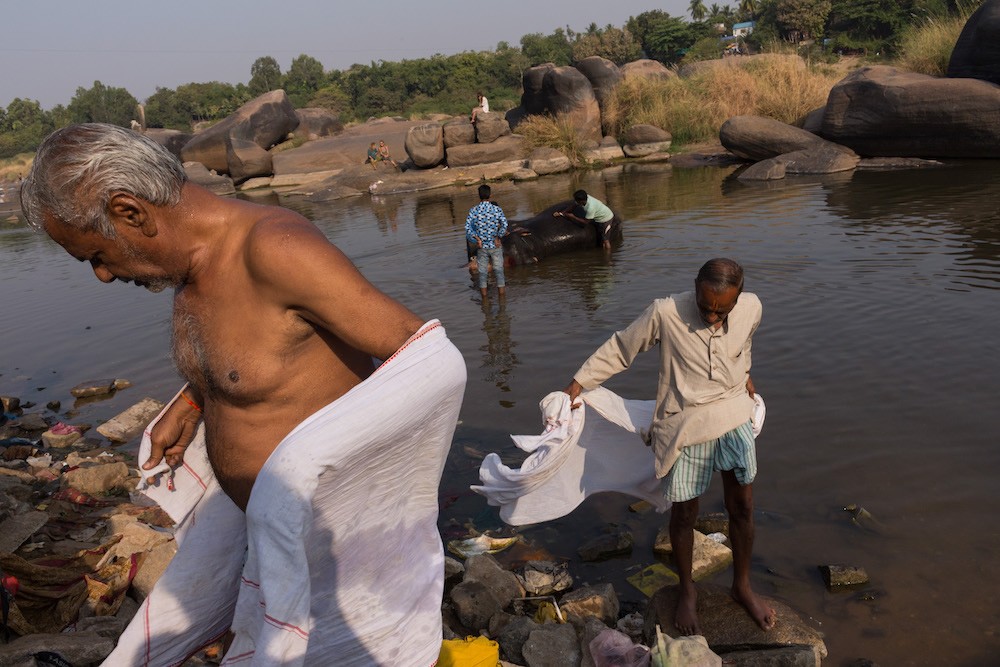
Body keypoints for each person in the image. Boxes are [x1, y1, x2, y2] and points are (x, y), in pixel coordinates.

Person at [21, 123, 467, 665]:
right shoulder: (194, 270)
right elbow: (258, 356)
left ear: (129, 212)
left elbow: (431, 359)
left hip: (337, 560)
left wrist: (300, 467)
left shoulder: (274, 251)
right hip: (265, 543)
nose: (102, 276)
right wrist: (194, 400)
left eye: (96, 254)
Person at [560, 258, 775, 635]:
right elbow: (622, 348)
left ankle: (742, 585)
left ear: (738, 298)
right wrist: (577, 384)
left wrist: (744, 374)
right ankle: (687, 590)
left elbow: (742, 345)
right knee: (685, 514)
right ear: (694, 288)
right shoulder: (666, 312)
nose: (712, 317)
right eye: (706, 307)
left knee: (742, 507)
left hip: (733, 412)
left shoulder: (752, 307)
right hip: (685, 419)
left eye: (722, 311)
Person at [465, 184, 507, 300]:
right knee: (499, 271)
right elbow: (504, 224)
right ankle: (502, 298)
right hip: (495, 245)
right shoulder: (497, 209)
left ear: (478, 195)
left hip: (482, 246)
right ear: (490, 195)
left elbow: (468, 228)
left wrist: (477, 239)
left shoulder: (473, 210)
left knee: (482, 274)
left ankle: (484, 300)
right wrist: (498, 237)